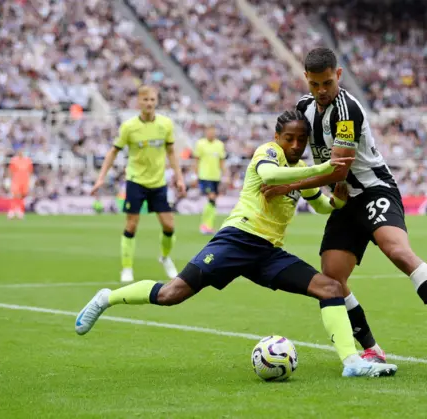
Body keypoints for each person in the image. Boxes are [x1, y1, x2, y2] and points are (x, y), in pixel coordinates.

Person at [75, 110, 398, 378]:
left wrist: (338, 201)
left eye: (301, 139)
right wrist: (326, 170)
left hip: (268, 254)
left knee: (329, 288)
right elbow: (270, 177)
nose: (296, 144)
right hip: (237, 240)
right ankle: (108, 297)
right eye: (290, 138)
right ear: (277, 137)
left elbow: (322, 206)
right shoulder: (267, 152)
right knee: (172, 294)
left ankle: (351, 362)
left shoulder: (300, 169)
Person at [262, 48, 427, 363]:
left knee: (397, 251)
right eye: (315, 83)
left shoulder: (348, 110)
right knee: (331, 279)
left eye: (327, 83)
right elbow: (292, 148)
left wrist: (287, 184)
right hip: (344, 203)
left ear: (339, 75)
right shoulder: (302, 109)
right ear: (306, 78)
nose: (321, 90)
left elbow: (339, 169)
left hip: (374, 190)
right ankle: (372, 348)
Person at [91, 85, 186, 283]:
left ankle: (165, 257)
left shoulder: (165, 125)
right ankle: (127, 268)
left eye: (152, 99)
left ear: (156, 101)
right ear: (138, 102)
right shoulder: (129, 127)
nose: (149, 103)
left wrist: (179, 177)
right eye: (145, 100)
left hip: (158, 183)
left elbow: (171, 152)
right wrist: (101, 177)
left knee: (169, 225)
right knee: (132, 225)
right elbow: (113, 152)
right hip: (136, 181)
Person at [194, 126, 226, 235]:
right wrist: (195, 175)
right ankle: (205, 225)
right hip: (205, 176)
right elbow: (196, 161)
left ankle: (209, 225)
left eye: (213, 132)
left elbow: (221, 161)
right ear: (206, 132)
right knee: (211, 198)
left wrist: (226, 174)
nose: (211, 134)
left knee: (213, 201)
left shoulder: (219, 145)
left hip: (215, 176)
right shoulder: (200, 144)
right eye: (209, 132)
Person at [7, 149, 33, 220]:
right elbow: (10, 171)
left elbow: (30, 171)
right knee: (15, 196)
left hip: (25, 180)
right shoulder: (14, 160)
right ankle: (12, 211)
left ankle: (20, 211)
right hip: (16, 180)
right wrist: (9, 180)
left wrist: (30, 180)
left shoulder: (28, 160)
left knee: (22, 197)